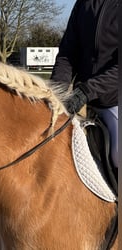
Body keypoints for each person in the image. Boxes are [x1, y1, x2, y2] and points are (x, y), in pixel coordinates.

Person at [51, 0, 118, 168]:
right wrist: (56, 93)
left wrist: (87, 90)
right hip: (89, 101)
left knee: (118, 156)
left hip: (115, 100)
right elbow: (67, 54)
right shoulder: (84, 3)